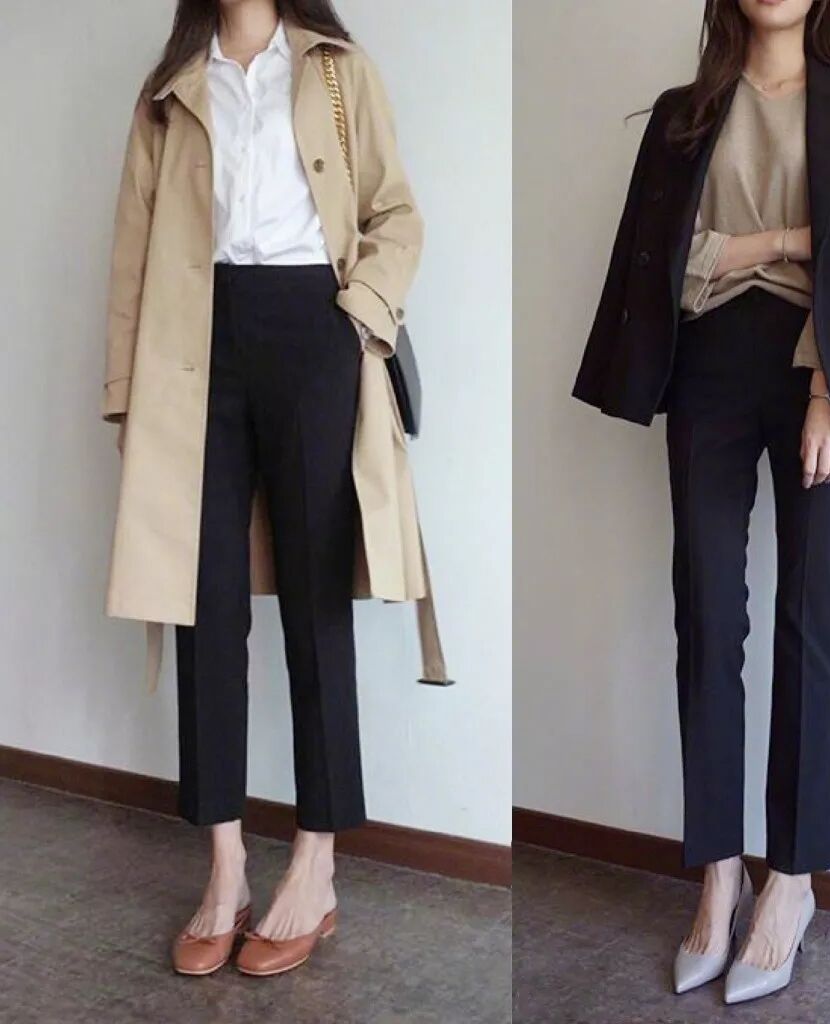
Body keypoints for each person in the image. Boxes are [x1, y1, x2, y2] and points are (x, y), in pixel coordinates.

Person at [572, 0, 830, 1004]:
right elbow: (665, 257)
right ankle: (718, 871)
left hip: (822, 373)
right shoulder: (685, 112)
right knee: (705, 614)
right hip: (708, 367)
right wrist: (787, 239)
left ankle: (793, 880)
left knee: (810, 615)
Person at [102, 0, 433, 977]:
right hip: (192, 344)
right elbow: (132, 250)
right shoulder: (170, 90)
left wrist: (358, 313)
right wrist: (126, 400)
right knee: (202, 600)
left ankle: (317, 864)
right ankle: (225, 867)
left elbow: (395, 213)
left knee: (314, 599)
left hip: (312, 330)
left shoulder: (336, 68)